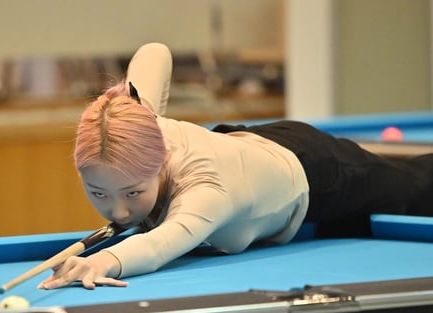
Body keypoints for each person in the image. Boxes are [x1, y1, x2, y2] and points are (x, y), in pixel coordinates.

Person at [38, 42, 433, 290]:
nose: (119, 212)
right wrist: (131, 99)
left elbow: (158, 246)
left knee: (415, 188)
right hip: (249, 144)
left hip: (317, 170)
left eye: (133, 192)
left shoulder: (206, 188)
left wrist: (104, 261)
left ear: (159, 163)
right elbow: (155, 51)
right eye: (99, 193)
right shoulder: (136, 123)